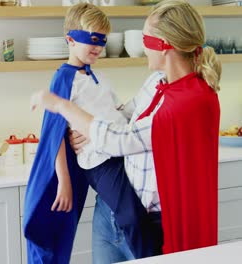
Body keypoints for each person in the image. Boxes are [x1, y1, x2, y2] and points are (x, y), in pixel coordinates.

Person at [31, 0, 221, 258]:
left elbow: (121, 140)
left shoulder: (187, 102)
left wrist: (62, 106)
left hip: (146, 223)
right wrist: (89, 126)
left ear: (164, 46)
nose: (143, 46)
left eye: (146, 38)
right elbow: (128, 113)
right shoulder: (158, 81)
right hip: (108, 209)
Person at [23, 3, 158, 264]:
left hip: (119, 152)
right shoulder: (64, 78)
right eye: (91, 39)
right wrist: (64, 181)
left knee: (140, 212)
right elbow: (55, 136)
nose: (98, 46)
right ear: (70, 40)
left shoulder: (98, 77)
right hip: (99, 161)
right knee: (131, 215)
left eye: (103, 40)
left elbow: (114, 111)